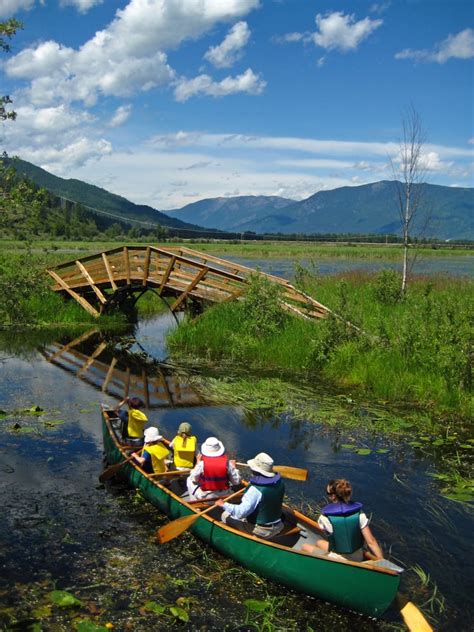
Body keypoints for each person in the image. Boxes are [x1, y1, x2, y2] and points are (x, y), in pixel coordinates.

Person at [301, 479, 383, 562]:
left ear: (333, 496)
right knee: (319, 542)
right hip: (358, 557)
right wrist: (381, 561)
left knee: (305, 547)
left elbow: (330, 535)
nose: (328, 496)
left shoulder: (324, 518)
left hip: (338, 560)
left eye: (328, 493)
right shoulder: (360, 514)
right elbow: (371, 541)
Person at [216, 452, 285, 539]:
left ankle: (236, 537)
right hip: (279, 525)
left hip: (262, 531)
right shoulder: (280, 482)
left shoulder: (255, 490)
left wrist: (223, 504)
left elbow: (241, 513)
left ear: (255, 470)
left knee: (225, 515)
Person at [186, 436, 240, 501]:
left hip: (206, 499)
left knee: (189, 479)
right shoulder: (228, 464)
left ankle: (194, 501)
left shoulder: (201, 464)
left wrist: (197, 462)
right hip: (224, 497)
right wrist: (234, 467)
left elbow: (194, 479)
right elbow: (236, 482)